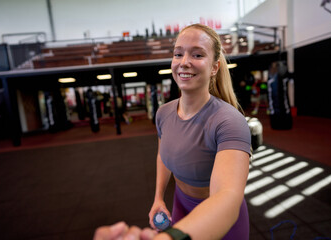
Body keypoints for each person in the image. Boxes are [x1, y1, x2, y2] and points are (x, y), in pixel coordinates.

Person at [93, 23, 251, 240]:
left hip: (220, 218)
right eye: (178, 54)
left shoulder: (229, 121)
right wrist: (158, 197)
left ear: (214, 67)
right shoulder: (164, 113)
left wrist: (170, 238)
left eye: (197, 54)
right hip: (180, 204)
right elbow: (164, 155)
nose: (184, 62)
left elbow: (227, 199)